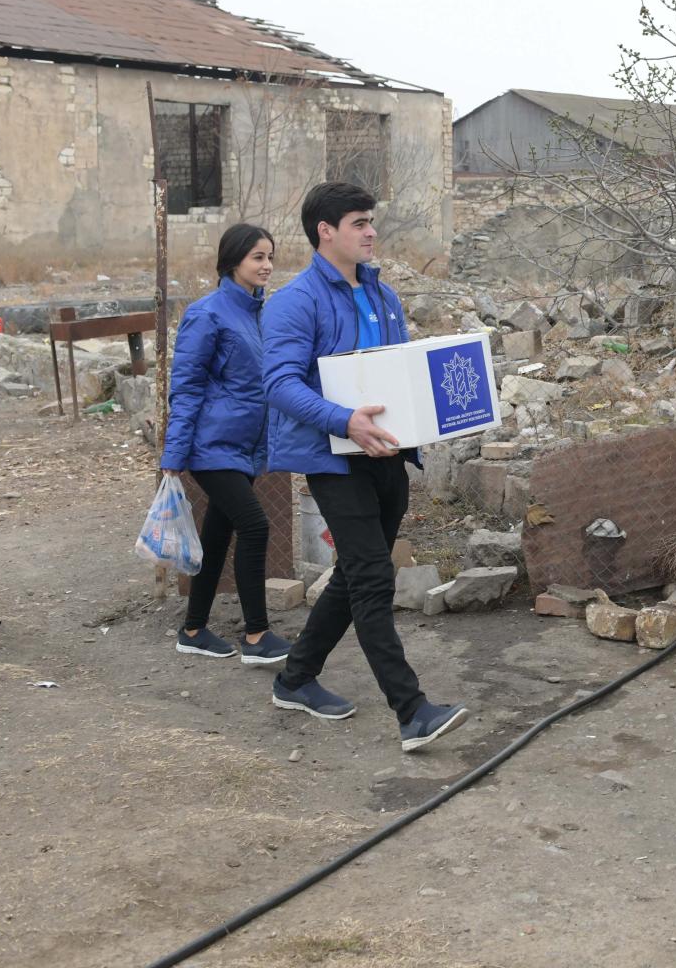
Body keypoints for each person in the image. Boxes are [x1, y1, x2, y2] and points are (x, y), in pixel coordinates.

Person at [261, 181, 469, 752]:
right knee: (374, 577)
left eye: (371, 221)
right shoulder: (294, 302)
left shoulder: (384, 295)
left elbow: (398, 375)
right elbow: (278, 385)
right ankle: (412, 711)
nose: (371, 231)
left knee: (356, 572)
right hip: (333, 460)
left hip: (388, 456)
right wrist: (344, 420)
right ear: (325, 231)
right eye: (359, 222)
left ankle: (295, 678)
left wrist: (443, 414)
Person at [162, 223, 292, 666]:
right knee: (254, 526)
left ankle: (193, 629)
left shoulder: (260, 314)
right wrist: (174, 456)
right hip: (210, 445)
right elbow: (186, 387)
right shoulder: (207, 314)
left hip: (243, 448)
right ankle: (256, 635)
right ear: (233, 260)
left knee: (217, 534)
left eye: (270, 256)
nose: (267, 265)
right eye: (257, 257)